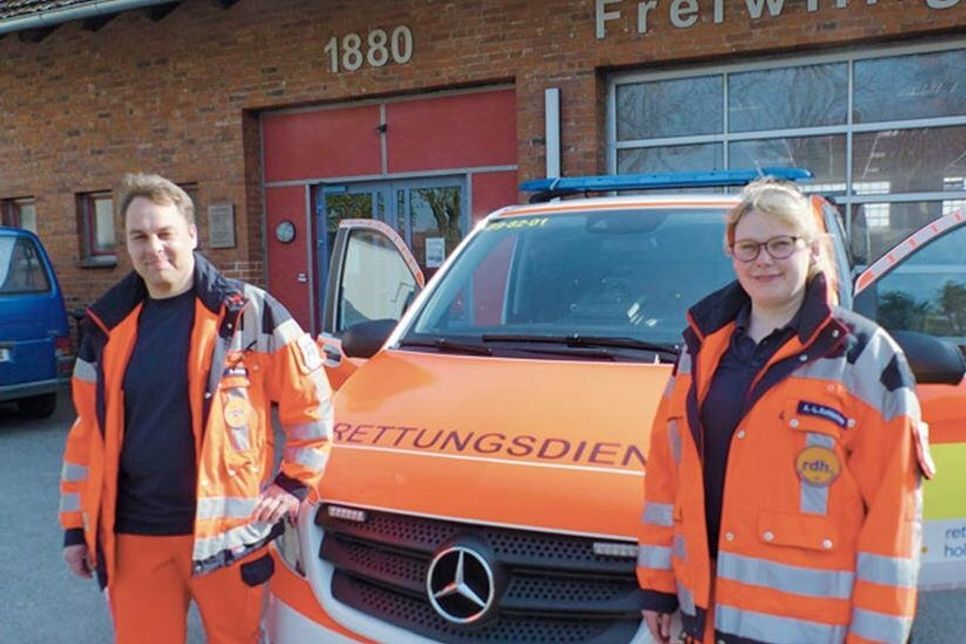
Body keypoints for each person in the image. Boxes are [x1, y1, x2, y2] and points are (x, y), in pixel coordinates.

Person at [637, 178, 934, 643]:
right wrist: (658, 588)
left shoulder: (863, 358)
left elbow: (893, 518)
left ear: (813, 251)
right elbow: (666, 478)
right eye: (749, 247)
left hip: (809, 629)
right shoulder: (701, 347)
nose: (764, 260)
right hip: (707, 619)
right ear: (732, 255)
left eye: (781, 244)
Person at [58, 173, 333, 643]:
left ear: (192, 234)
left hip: (228, 539)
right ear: (126, 244)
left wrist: (293, 482)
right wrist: (74, 530)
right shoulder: (106, 328)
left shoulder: (249, 313)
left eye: (164, 233)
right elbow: (87, 438)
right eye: (139, 237)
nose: (154, 248)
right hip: (134, 538)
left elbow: (312, 404)